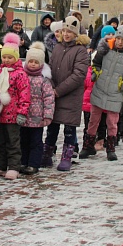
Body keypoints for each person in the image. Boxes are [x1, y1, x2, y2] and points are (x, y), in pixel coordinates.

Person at [80, 24, 123, 161]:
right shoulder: (105, 49)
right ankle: (88, 145)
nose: (119, 42)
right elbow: (95, 64)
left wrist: (122, 85)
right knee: (93, 120)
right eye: (118, 39)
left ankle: (111, 148)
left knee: (112, 122)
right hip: (100, 88)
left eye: (122, 40)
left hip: (115, 92)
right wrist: (96, 74)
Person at [44, 16, 90, 171]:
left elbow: (78, 75)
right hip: (55, 93)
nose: (66, 34)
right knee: (52, 127)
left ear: (76, 33)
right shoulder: (57, 47)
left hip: (70, 95)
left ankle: (67, 156)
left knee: (69, 128)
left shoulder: (81, 51)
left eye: (70, 31)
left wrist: (59, 90)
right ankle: (47, 154)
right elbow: (49, 68)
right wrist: (50, 86)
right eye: (64, 30)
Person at [0, 33, 31, 179]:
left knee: (13, 142)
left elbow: (25, 94)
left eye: (10, 57)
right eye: (4, 57)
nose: (7, 60)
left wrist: (22, 112)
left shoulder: (20, 74)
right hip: (0, 114)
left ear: (15, 57)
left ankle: (14, 166)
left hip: (13, 115)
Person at [20, 42, 55, 173]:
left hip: (37, 117)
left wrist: (47, 115)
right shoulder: (22, 76)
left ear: (41, 64)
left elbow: (49, 98)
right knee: (23, 140)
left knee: (36, 141)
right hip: (23, 115)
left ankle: (34, 164)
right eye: (31, 61)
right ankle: (23, 162)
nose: (33, 64)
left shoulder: (43, 79)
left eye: (36, 62)